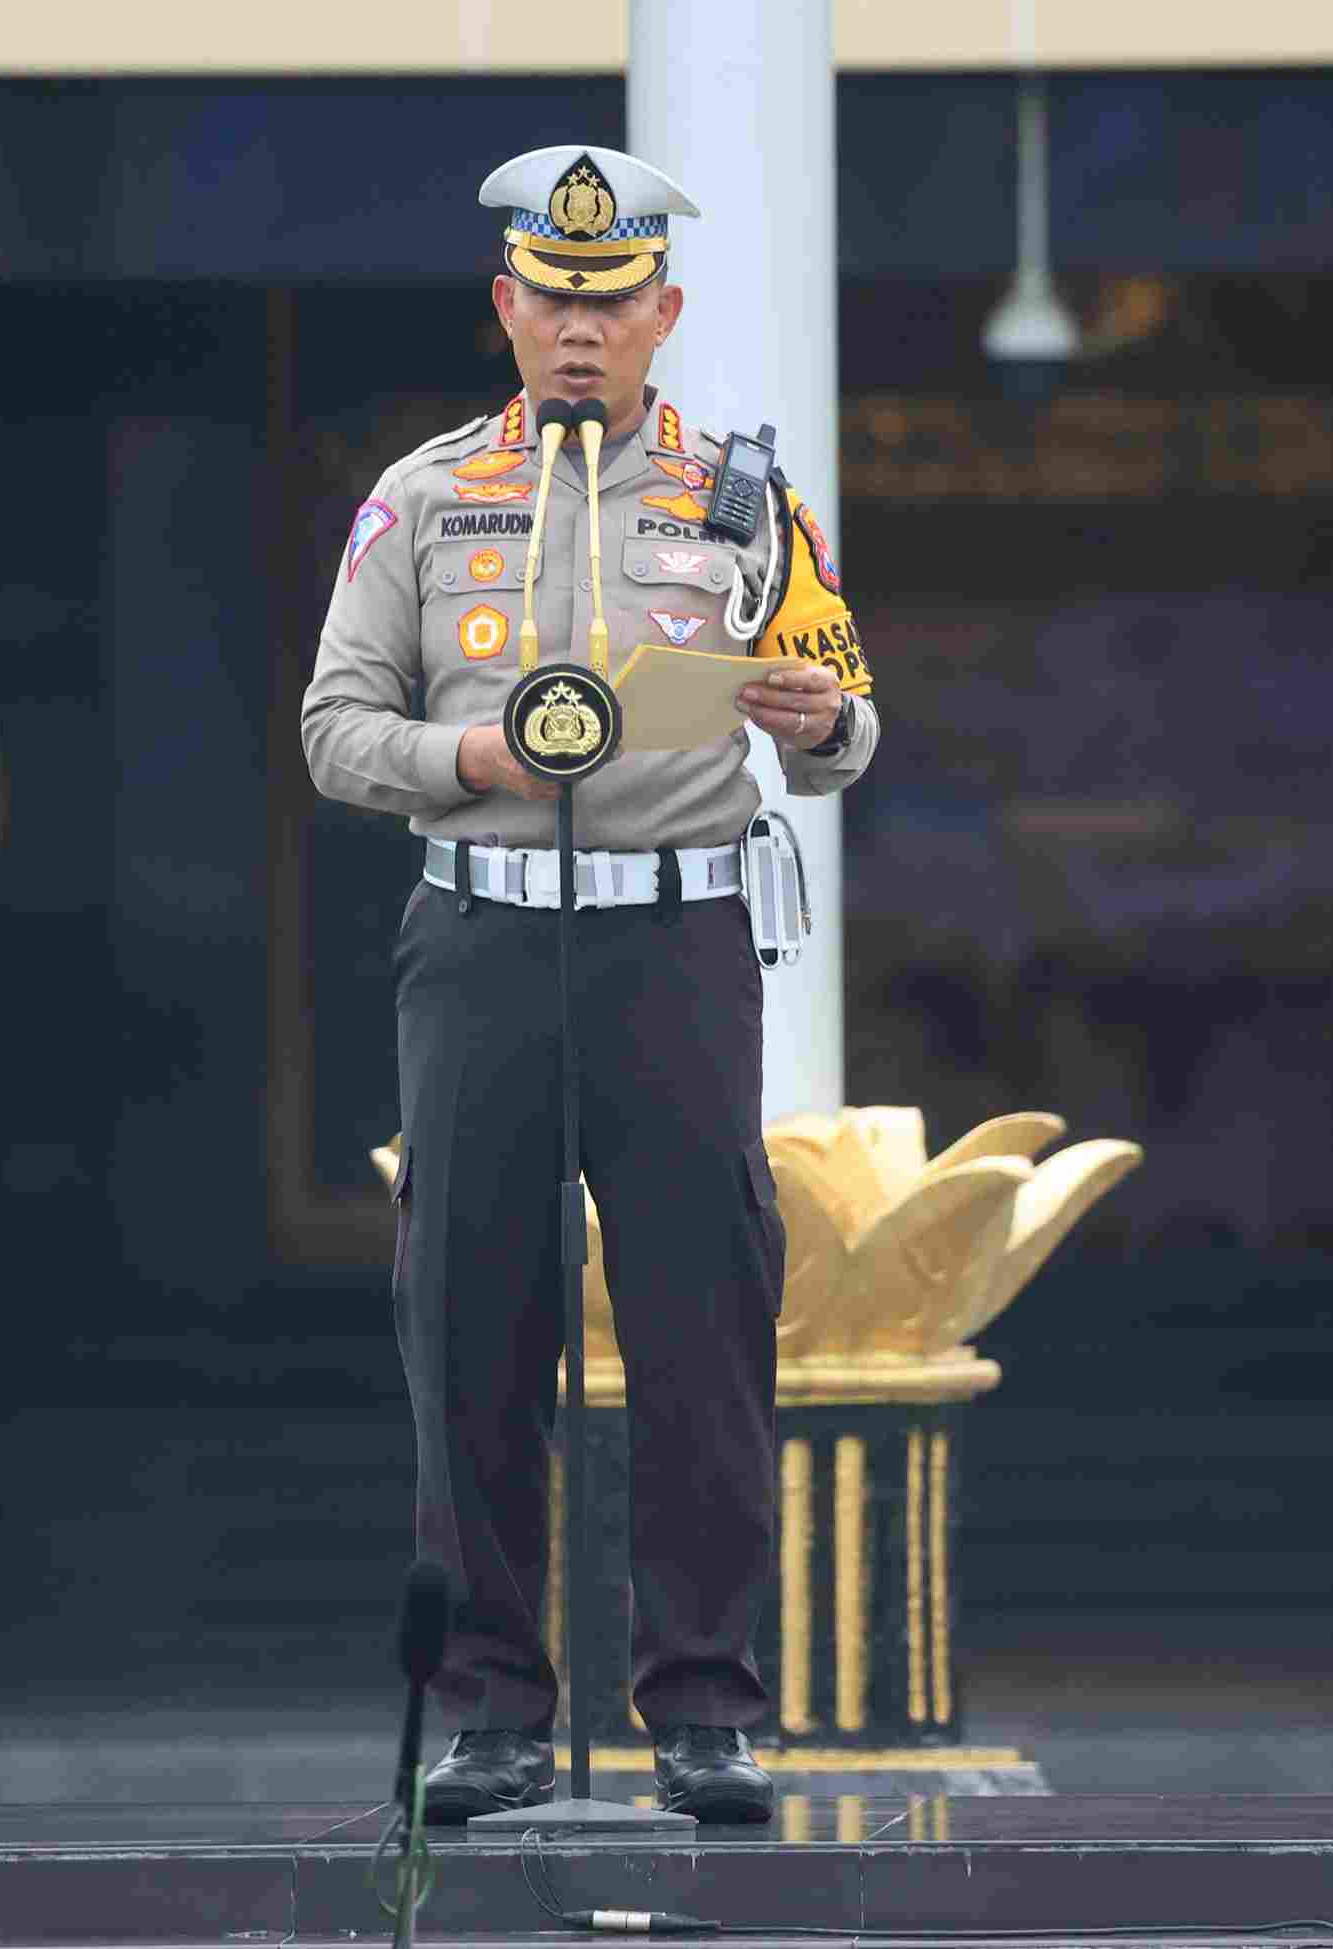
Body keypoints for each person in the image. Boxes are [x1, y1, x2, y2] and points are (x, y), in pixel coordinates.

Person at [300, 145, 878, 1824]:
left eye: (609, 298)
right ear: (503, 307)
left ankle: (700, 1703)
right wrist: (463, 748)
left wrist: (814, 718)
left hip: (670, 940)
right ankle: (491, 1704)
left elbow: (850, 722)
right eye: (549, 297)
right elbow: (336, 731)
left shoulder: (743, 500)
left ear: (662, 313)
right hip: (478, 931)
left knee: (705, 1320)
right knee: (468, 1317)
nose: (577, 328)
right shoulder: (419, 497)